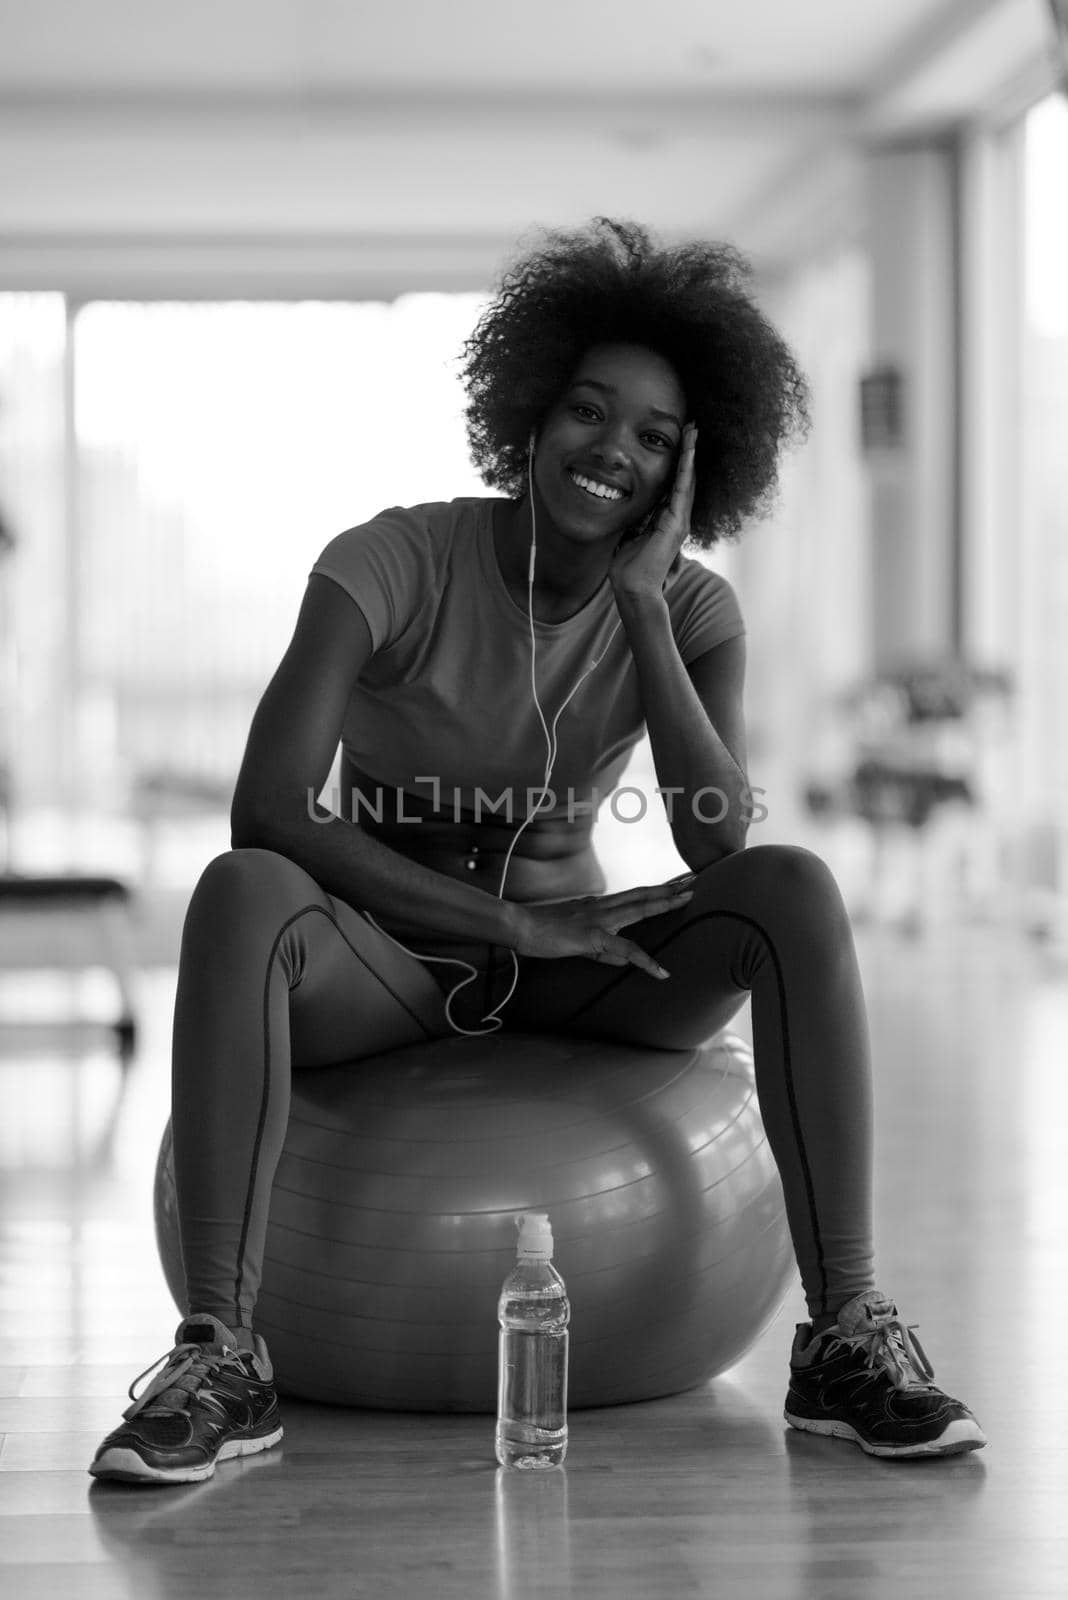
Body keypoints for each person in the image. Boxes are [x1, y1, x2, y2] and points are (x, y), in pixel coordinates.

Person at [89, 217, 985, 1484]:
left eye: (656, 439)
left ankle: (845, 1337)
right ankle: (222, 1357)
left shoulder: (693, 609)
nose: (612, 450)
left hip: (583, 967)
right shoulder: (388, 560)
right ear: (528, 415)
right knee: (241, 893)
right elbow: (271, 809)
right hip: (387, 966)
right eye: (587, 410)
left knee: (793, 887)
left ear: (691, 475)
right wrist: (509, 924)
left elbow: (718, 836)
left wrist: (644, 614)